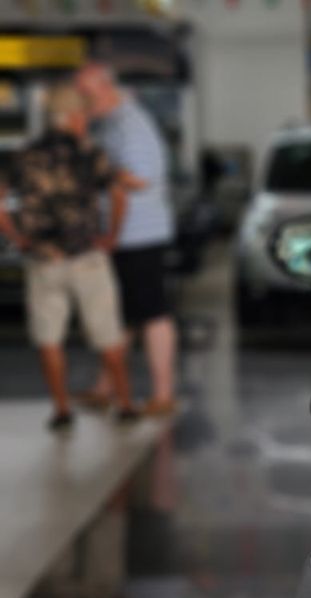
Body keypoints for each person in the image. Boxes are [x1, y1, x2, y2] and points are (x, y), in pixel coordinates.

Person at [0, 84, 137, 431]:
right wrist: (112, 236)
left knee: (49, 339)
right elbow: (119, 194)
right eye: (83, 115)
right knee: (107, 334)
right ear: (74, 117)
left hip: (42, 259)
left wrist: (17, 237)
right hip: (87, 256)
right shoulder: (91, 154)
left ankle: (61, 410)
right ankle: (125, 404)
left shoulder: (22, 155)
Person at [75, 62, 178, 416]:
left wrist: (89, 166)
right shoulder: (111, 122)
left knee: (152, 312)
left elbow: (140, 178)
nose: (81, 102)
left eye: (85, 94)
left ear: (105, 88)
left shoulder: (131, 124)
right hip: (122, 235)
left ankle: (163, 394)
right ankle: (106, 387)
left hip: (139, 235)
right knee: (121, 314)